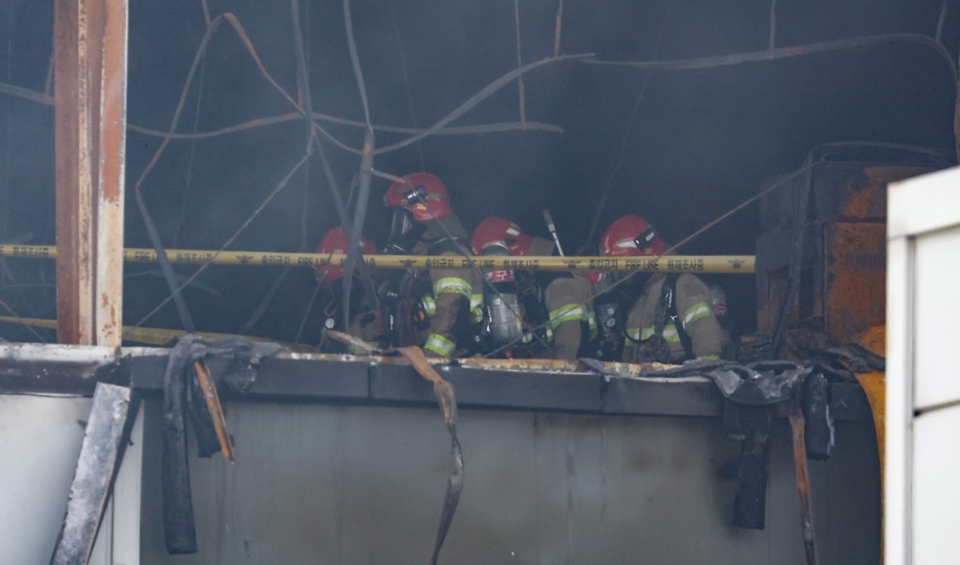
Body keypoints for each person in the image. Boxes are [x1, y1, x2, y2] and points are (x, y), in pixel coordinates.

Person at [598, 215, 724, 364]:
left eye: (619, 269)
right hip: (636, 385)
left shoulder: (684, 286)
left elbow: (707, 338)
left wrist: (702, 382)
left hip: (678, 385)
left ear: (640, 259)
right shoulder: (636, 298)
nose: (616, 278)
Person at [384, 172, 483, 358]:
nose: (400, 230)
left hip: (451, 366)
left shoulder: (447, 254)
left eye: (403, 219)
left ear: (420, 217)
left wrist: (430, 361)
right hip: (420, 360)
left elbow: (452, 310)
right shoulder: (422, 256)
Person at [470, 217, 596, 360]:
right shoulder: (530, 282)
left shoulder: (559, 282)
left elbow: (571, 342)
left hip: (567, 377)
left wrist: (557, 378)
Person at [313, 226, 383, 354]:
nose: (333, 291)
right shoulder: (332, 309)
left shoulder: (378, 311)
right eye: (329, 286)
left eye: (337, 285)